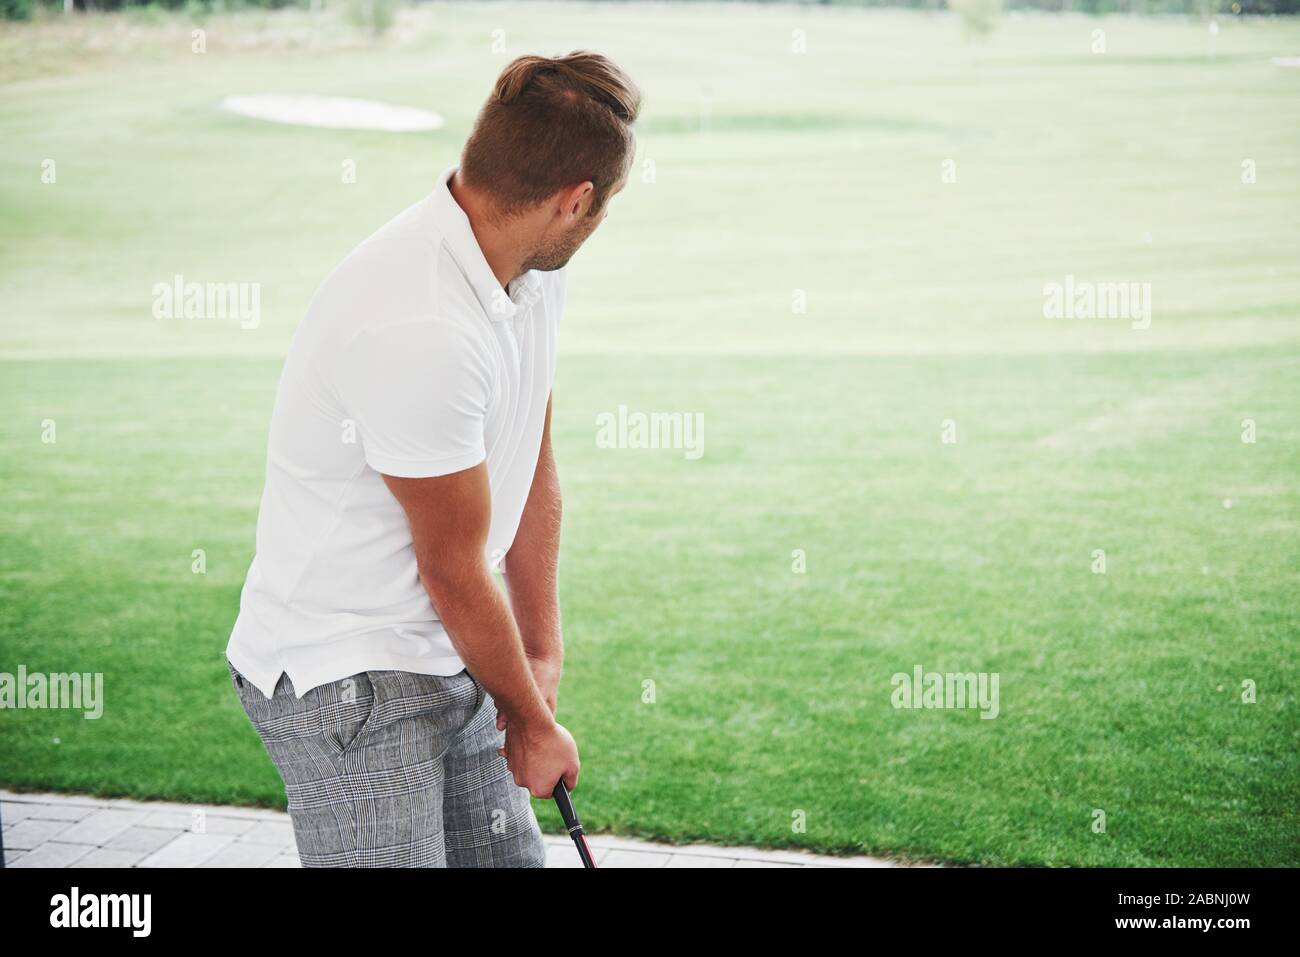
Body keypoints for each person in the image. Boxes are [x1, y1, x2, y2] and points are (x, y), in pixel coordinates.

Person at [224, 51, 641, 867]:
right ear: (576, 200)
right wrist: (528, 717)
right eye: (605, 207)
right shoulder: (420, 323)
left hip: (450, 648)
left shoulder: (530, 273)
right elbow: (449, 567)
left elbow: (531, 464)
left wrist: (540, 654)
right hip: (345, 672)